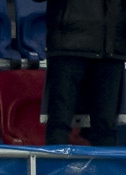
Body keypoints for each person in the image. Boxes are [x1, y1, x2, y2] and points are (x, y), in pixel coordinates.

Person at [46, 0, 126, 145]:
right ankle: (56, 160)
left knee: (106, 128)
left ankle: (103, 161)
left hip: (111, 50)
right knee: (60, 122)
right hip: (69, 48)